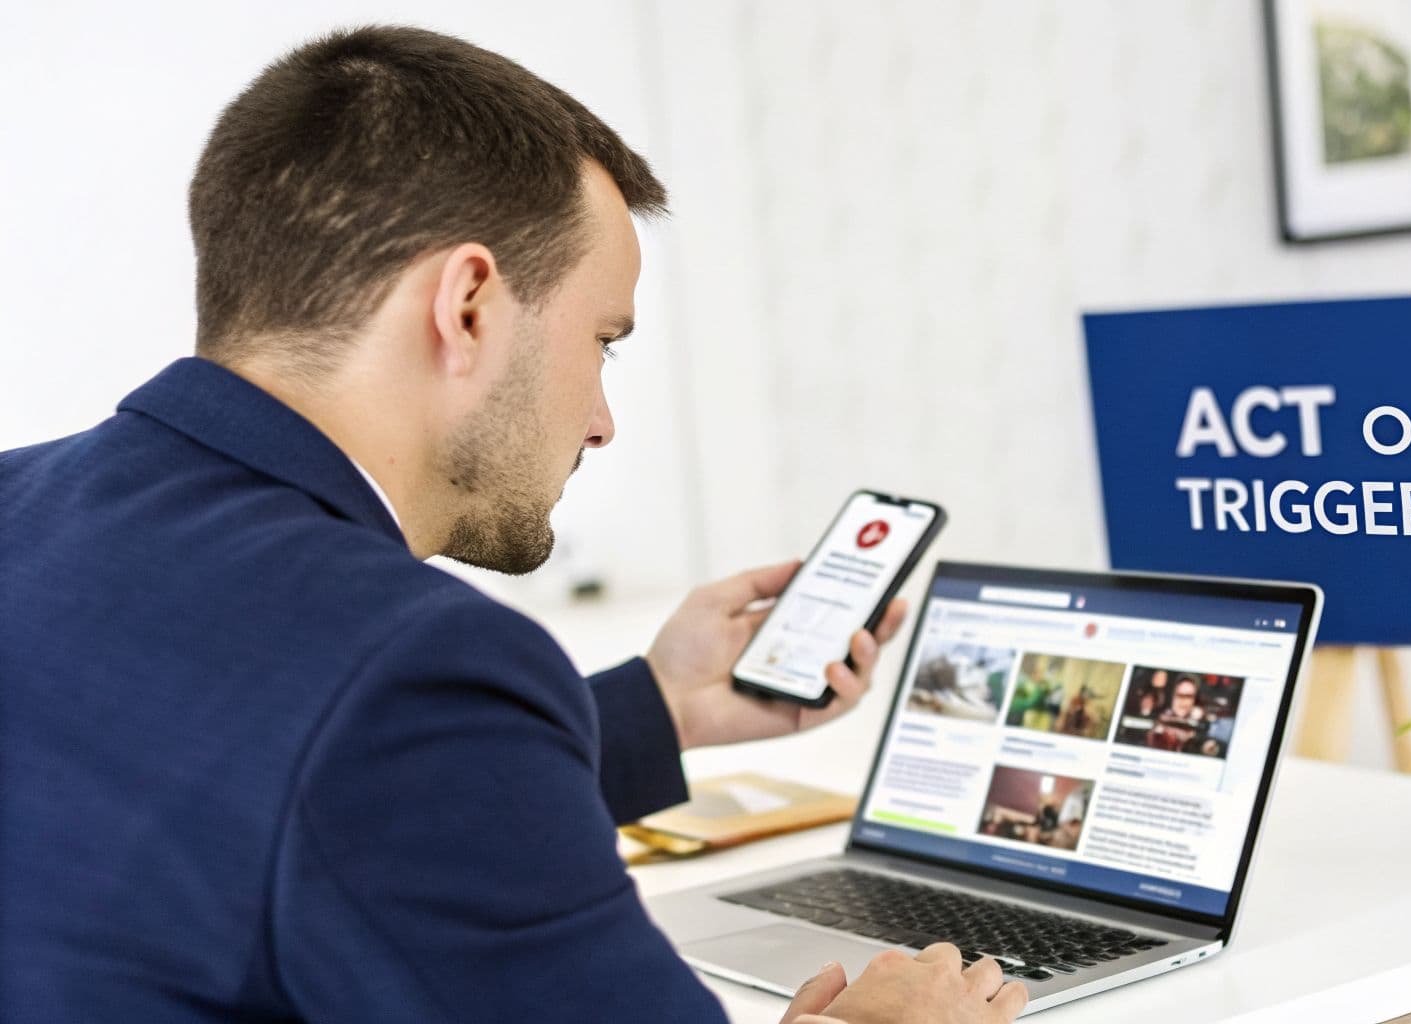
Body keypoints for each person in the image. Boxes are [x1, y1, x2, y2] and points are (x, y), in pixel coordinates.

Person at [0, 25, 1026, 1024]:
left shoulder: (21, 506)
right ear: (470, 306)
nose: (601, 423)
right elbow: (369, 740)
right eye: (602, 341)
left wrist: (661, 707)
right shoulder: (410, 666)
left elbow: (275, 778)